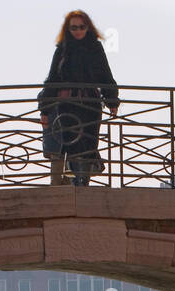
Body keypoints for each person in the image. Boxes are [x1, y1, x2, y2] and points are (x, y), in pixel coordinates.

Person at [37, 10, 119, 186]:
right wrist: (45, 109)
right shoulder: (62, 49)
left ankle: (83, 184)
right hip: (68, 105)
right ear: (68, 29)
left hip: (90, 106)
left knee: (88, 145)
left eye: (81, 27)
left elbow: (105, 75)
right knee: (70, 143)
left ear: (88, 27)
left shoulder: (95, 48)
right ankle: (75, 182)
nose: (78, 31)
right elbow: (52, 80)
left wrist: (112, 101)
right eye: (74, 27)